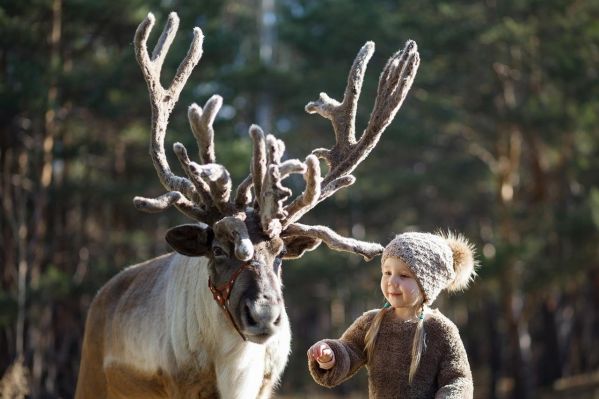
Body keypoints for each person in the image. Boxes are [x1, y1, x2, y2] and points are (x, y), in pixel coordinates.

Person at [307, 231, 478, 398]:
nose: (392, 282)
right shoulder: (373, 322)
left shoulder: (441, 330)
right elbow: (349, 350)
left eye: (403, 275)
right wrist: (329, 356)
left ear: (428, 285)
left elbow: (458, 379)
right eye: (387, 273)